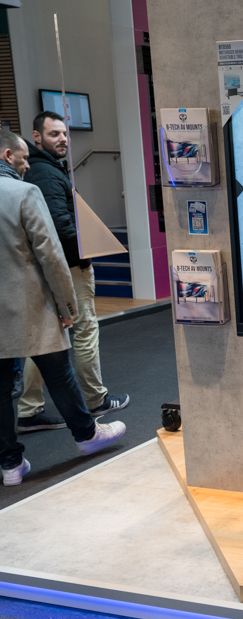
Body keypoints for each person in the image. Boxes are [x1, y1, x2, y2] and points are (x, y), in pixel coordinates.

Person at [0, 129, 126, 486]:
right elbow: (51, 254)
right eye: (24, 159)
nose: (27, 166)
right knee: (59, 373)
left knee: (0, 391)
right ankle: (87, 435)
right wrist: (67, 304)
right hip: (31, 305)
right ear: (7, 156)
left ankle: (10, 465)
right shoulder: (24, 192)